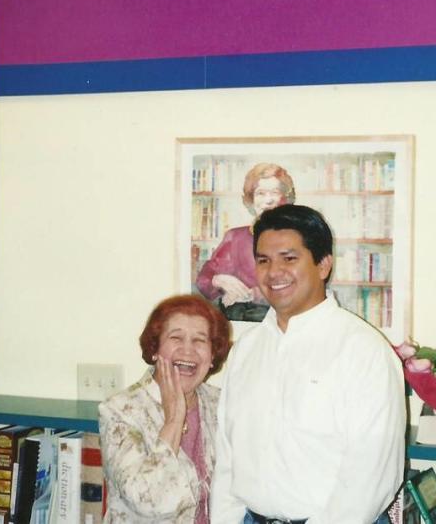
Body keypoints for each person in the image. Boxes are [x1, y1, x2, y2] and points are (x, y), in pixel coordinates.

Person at [209, 204, 407, 524]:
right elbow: (229, 460)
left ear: (323, 264)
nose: (274, 272)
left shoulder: (363, 351)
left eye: (289, 258)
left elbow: (370, 478)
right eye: (263, 260)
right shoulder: (246, 350)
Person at [99, 294, 232, 523]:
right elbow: (148, 500)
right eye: (176, 337)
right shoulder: (120, 411)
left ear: (212, 356)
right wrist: (173, 420)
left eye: (200, 340)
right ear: (155, 350)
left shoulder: (221, 405)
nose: (188, 351)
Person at [196, 162, 296, 322]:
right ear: (251, 199)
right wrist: (219, 280)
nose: (268, 200)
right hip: (239, 322)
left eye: (274, 193)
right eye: (261, 193)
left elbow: (300, 289)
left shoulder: (298, 238)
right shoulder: (235, 237)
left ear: (285, 198)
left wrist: (251, 295)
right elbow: (203, 279)